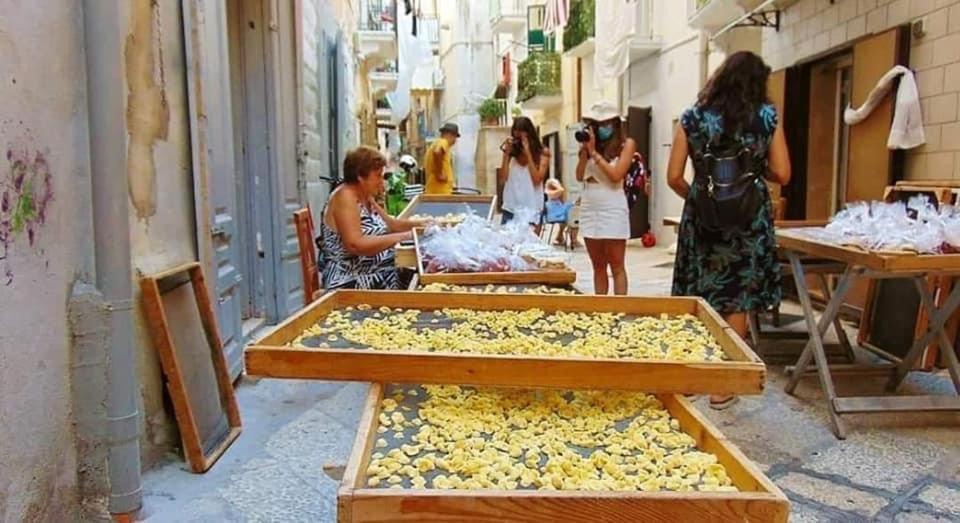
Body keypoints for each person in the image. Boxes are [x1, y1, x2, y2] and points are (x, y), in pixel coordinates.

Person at [667, 51, 791, 410]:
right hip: (748, 220)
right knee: (735, 296)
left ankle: (691, 379)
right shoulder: (766, 117)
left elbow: (674, 175)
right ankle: (722, 384)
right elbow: (783, 173)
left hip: (702, 221)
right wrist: (752, 173)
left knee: (697, 292)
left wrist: (701, 200)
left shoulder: (692, 118)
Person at [320, 146, 427, 290]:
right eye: (377, 176)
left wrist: (423, 225)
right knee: (420, 285)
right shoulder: (345, 197)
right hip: (350, 278)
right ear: (360, 176)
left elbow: (391, 225)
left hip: (378, 269)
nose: (381, 181)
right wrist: (405, 236)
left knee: (426, 273)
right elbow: (355, 244)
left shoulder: (366, 196)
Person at [576, 101, 635, 295]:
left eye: (606, 123)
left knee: (616, 264)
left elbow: (616, 175)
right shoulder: (589, 146)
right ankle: (601, 309)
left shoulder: (627, 144)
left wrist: (594, 154)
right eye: (597, 124)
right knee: (598, 265)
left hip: (612, 204)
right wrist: (586, 153)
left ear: (616, 123)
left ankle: (620, 309)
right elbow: (579, 175)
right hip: (589, 203)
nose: (602, 128)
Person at [499, 116, 550, 231]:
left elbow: (537, 180)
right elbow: (503, 178)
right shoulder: (512, 153)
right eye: (515, 133)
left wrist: (528, 154)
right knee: (506, 246)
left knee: (530, 248)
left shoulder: (542, 153)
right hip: (511, 208)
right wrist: (506, 154)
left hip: (532, 209)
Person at [424, 123, 459, 195]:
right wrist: (439, 174)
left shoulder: (435, 144)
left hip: (436, 191)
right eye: (455, 137)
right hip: (440, 192)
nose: (455, 141)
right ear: (450, 135)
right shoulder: (443, 142)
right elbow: (437, 152)